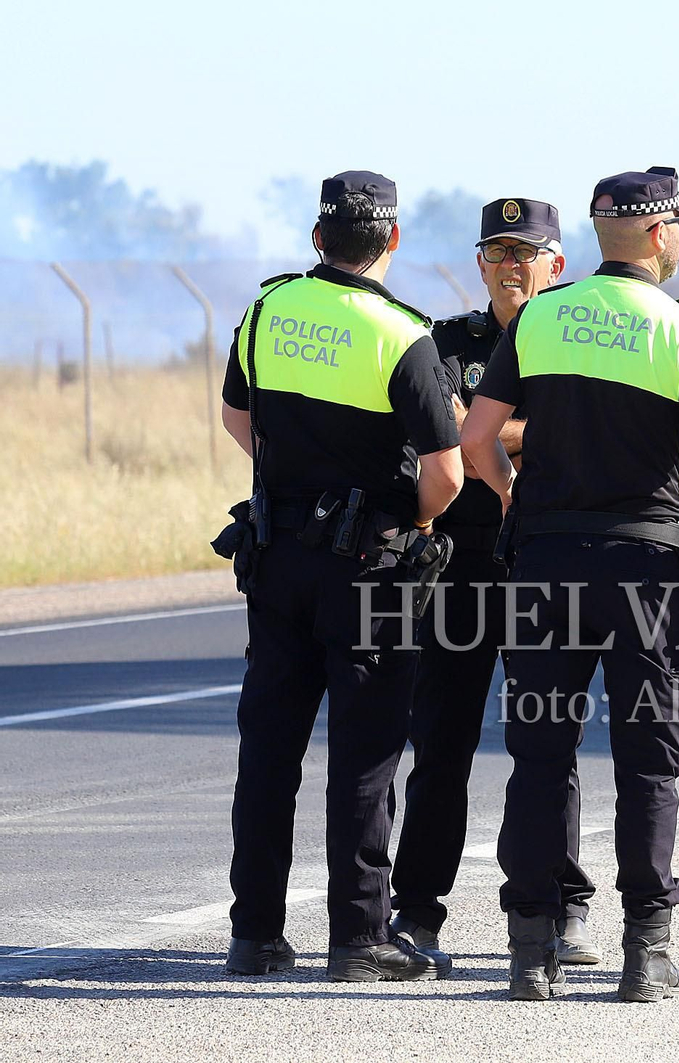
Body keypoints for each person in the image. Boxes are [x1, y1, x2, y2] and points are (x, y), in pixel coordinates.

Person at [460, 166, 679, 1002]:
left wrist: (520, 503)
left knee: (540, 756)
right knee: (647, 763)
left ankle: (531, 949)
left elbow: (481, 438)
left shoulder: (541, 320)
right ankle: (644, 950)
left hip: (545, 566)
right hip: (644, 574)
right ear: (660, 234)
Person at [217, 171, 464, 980]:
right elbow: (447, 474)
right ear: (391, 240)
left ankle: (254, 933)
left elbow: (236, 416)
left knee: (269, 750)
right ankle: (358, 936)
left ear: (318, 238)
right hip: (374, 569)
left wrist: (294, 487)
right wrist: (410, 521)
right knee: (365, 753)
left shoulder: (267, 309)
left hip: (277, 555)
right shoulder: (404, 334)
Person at [388, 198, 600, 966]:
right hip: (465, 561)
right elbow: (443, 426)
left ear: (557, 263)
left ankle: (563, 901)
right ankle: (417, 911)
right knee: (440, 740)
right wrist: (538, 428)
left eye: (527, 252)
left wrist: (484, 425)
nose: (512, 266)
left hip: (548, 555)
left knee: (551, 738)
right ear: (479, 264)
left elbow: (470, 426)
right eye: (498, 252)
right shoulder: (449, 340)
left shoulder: (580, 338)